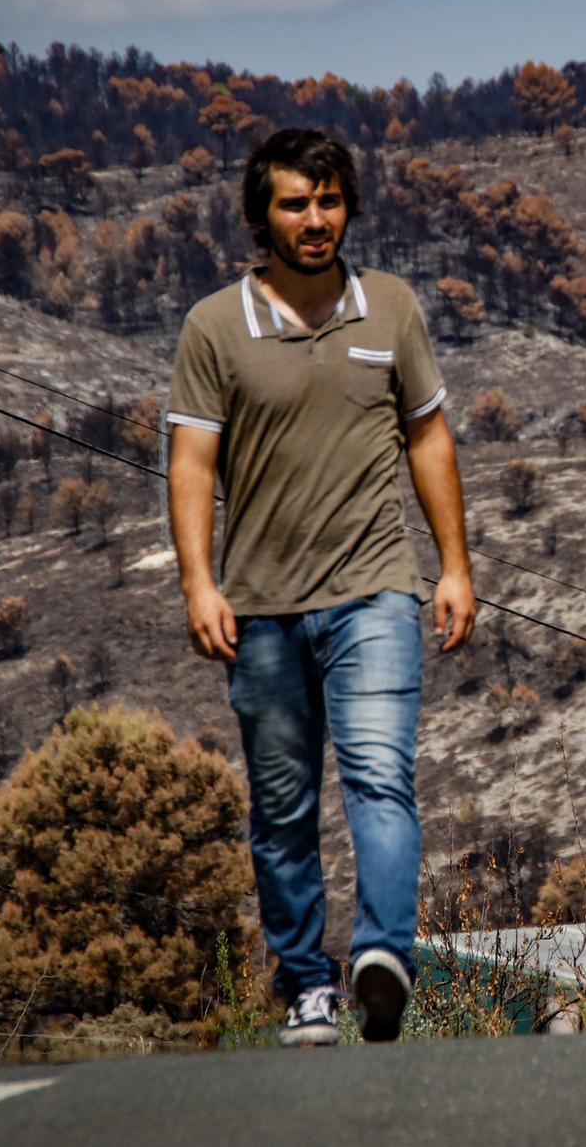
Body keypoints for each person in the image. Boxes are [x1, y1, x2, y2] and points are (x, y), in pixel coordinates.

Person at [167, 127, 475, 1047]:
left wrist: (454, 565)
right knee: (283, 803)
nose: (316, 218)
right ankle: (306, 980)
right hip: (259, 608)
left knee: (381, 777)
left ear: (349, 206)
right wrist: (199, 582)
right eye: (296, 203)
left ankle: (382, 959)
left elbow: (429, 438)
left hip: (376, 589)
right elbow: (191, 462)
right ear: (263, 215)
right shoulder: (215, 326)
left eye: (330, 200)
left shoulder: (390, 310)